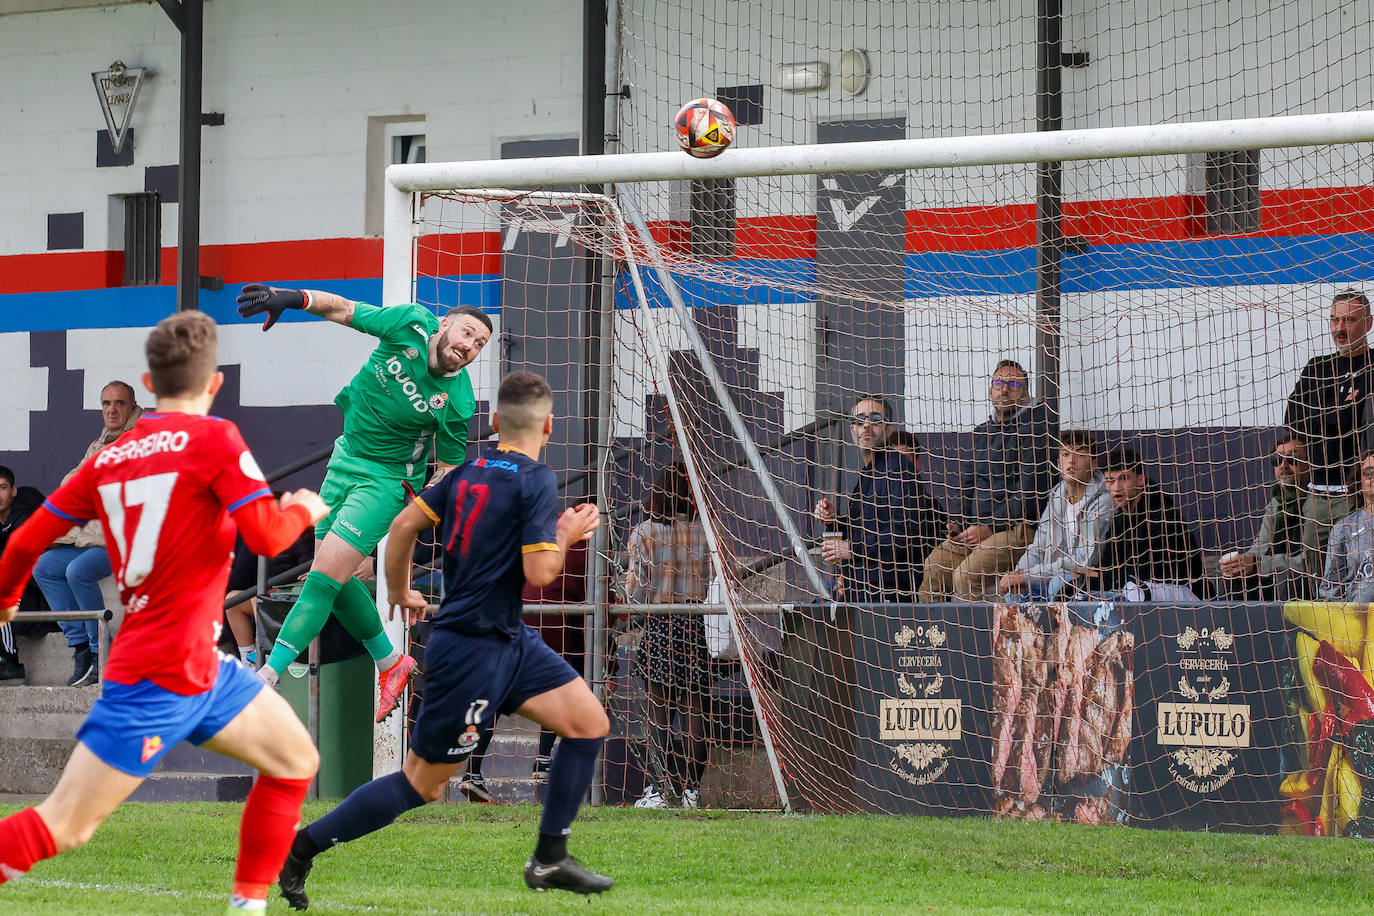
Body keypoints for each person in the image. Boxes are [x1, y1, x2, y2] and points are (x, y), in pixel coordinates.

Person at [0, 311, 328, 912]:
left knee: (294, 760)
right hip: (158, 674)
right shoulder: (216, 439)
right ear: (215, 383)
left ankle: (248, 906)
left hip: (197, 665)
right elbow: (268, 536)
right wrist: (303, 508)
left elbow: (22, 544)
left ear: (148, 387)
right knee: (64, 825)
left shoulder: (107, 459)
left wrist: (4, 605)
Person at [277, 371, 611, 907]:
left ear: (494, 422)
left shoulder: (467, 471)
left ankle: (550, 857)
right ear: (549, 425)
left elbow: (404, 525)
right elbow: (542, 573)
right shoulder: (537, 480)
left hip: (509, 639)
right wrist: (567, 533)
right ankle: (302, 847)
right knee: (422, 785)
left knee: (589, 724)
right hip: (471, 649)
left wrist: (398, 589)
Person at [236, 283, 491, 720]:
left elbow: (448, 472)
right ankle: (391, 662)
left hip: (385, 483)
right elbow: (345, 310)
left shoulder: (457, 401)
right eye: (467, 333)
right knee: (334, 583)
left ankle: (266, 677)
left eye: (480, 344)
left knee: (321, 580)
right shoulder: (409, 322)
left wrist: (407, 522)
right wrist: (291, 298)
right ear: (444, 324)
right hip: (344, 459)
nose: (470, 346)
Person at [456, 539, 589, 803]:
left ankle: (472, 771)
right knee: (564, 682)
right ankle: (543, 759)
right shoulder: (586, 547)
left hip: (509, 620)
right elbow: (600, 602)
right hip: (553, 624)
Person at [32, 380, 142, 687]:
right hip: (89, 535)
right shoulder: (102, 440)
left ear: (132, 406)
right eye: (106, 403)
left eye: (119, 403)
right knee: (43, 567)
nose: (112, 410)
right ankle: (79, 646)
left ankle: (100, 650)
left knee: (78, 571)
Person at [919, 360, 1054, 603]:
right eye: (998, 383)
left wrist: (990, 527)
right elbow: (966, 482)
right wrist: (958, 522)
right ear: (991, 390)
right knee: (934, 567)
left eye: (1014, 384)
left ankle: (976, 630)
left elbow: (1030, 494)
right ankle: (936, 630)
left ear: (1026, 394)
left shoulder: (1038, 430)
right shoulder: (982, 432)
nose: (1005, 390)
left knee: (965, 575)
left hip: (1017, 529)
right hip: (975, 530)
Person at [625, 463, 713, 810]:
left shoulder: (644, 532)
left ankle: (659, 790)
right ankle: (692, 791)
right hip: (694, 622)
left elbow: (635, 591)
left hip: (661, 623)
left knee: (659, 713)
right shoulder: (704, 531)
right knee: (695, 711)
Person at [814, 397, 947, 603]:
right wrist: (832, 521)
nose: (867, 425)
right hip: (861, 591)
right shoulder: (869, 473)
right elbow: (859, 536)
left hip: (890, 597)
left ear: (888, 430)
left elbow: (904, 534)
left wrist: (852, 548)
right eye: (860, 420)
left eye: (876, 419)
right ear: (852, 430)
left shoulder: (898, 468)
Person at [1285, 290, 1374, 580]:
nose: (1340, 328)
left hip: (1363, 498)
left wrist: (1325, 414)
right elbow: (1293, 420)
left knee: (1364, 578)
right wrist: (1343, 413)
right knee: (1319, 580)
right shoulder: (1317, 368)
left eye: (1349, 320)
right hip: (1319, 497)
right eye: (1335, 320)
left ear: (1368, 323)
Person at [996, 430, 1113, 602]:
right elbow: (1037, 548)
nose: (1071, 460)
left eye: (1080, 454)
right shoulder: (1056, 496)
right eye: (1066, 454)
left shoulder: (1103, 501)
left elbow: (1084, 561)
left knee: (1058, 585)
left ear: (1094, 463)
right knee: (1014, 592)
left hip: (1087, 579)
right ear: (1058, 463)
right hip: (1050, 574)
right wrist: (1019, 573)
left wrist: (1028, 576)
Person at [1078, 446, 1206, 601]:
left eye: (1124, 478)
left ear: (1140, 480)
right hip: (1142, 589)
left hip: (1186, 593)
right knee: (1077, 589)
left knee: (1133, 589)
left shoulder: (1162, 515)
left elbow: (1149, 573)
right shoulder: (1120, 519)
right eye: (1111, 480)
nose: (1117, 487)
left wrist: (1107, 575)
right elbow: (1109, 565)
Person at [223, 493, 317, 665]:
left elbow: (310, 563)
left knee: (258, 597)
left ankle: (265, 654)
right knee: (233, 599)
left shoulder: (298, 531)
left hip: (294, 591)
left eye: (275, 508)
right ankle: (248, 661)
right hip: (273, 592)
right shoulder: (263, 537)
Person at [1219, 433, 1311, 601]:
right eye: (1277, 460)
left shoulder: (1319, 504)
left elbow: (1310, 561)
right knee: (1233, 581)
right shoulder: (1276, 504)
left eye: (1293, 459)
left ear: (1310, 464)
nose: (1283, 466)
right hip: (1279, 586)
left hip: (1310, 589)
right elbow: (1259, 549)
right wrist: (1239, 563)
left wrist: (1258, 564)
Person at [0, 466, 49, 685]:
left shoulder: (26, 518)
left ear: (13, 491)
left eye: (2, 488)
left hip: (38, 597)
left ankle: (10, 662)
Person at [1318, 451, 1374, 602]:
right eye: (1369, 474)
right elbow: (1331, 587)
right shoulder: (1343, 528)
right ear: (1359, 482)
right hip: (1357, 614)